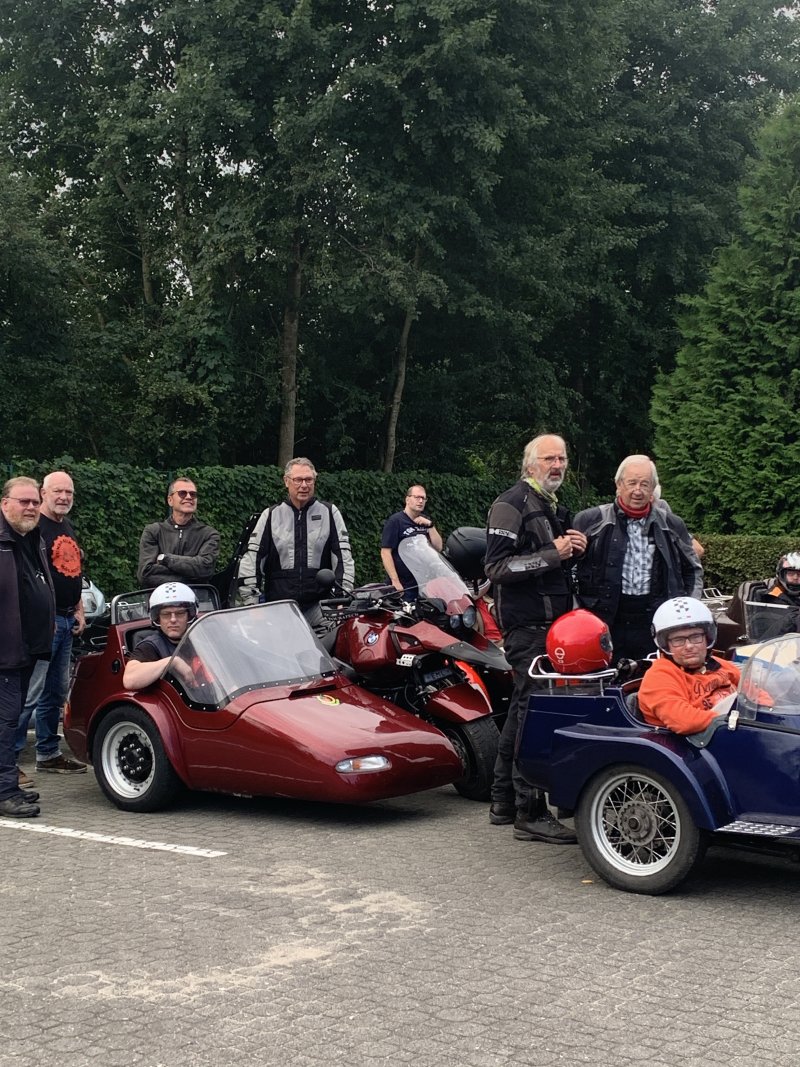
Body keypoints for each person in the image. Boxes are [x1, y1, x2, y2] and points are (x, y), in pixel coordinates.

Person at [484, 433, 587, 844]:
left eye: (561, 458)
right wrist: (553, 554)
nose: (557, 465)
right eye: (548, 459)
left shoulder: (551, 504)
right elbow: (496, 568)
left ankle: (503, 802)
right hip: (526, 627)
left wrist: (574, 549)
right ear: (530, 465)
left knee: (522, 708)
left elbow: (552, 562)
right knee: (535, 713)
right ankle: (530, 812)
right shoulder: (511, 503)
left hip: (551, 625)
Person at [573, 455, 703, 662]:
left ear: (653, 488)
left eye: (644, 484)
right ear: (618, 485)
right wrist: (578, 611)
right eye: (632, 483)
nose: (637, 490)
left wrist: (688, 610)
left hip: (656, 619)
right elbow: (568, 569)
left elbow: (693, 569)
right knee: (606, 675)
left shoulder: (672, 524)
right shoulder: (590, 520)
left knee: (653, 676)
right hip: (603, 619)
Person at [15, 472, 87, 781]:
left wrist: (79, 609)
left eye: (68, 492)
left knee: (55, 693)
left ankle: (47, 753)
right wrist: (44, 620)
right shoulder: (34, 529)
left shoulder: (65, 525)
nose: (64, 497)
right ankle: (8, 763)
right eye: (57, 491)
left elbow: (72, 570)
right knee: (28, 695)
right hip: (46, 624)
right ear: (44, 493)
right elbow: (28, 580)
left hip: (67, 620)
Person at [236, 458, 354, 627]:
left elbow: (344, 558)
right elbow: (252, 559)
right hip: (279, 608)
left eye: (309, 480)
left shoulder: (330, 512)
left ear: (315, 481)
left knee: (341, 638)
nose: (304, 485)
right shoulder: (270, 515)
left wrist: (342, 598)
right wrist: (251, 603)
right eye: (298, 480)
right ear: (286, 481)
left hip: (320, 608)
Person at [0, 477, 56, 817]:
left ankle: (8, 786)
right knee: (5, 723)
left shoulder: (31, 538)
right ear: (4, 503)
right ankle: (5, 792)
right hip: (6, 654)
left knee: (10, 720)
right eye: (24, 501)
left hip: (27, 652)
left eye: (35, 502)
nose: (31, 507)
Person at [638, 597, 740, 734]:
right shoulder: (659, 677)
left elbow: (755, 694)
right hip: (698, 742)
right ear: (666, 645)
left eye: (696, 637)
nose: (689, 646)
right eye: (678, 640)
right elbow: (685, 722)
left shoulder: (719, 664)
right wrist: (738, 721)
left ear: (707, 638)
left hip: (733, 730)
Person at [137, 476, 220, 590]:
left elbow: (205, 570)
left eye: (193, 494)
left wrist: (166, 559)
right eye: (182, 493)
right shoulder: (153, 531)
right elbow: (146, 574)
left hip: (197, 598)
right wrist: (191, 577)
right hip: (160, 599)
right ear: (170, 500)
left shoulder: (209, 534)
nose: (189, 497)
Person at [123, 583, 197, 691]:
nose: (173, 619)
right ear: (158, 618)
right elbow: (129, 680)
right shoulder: (151, 646)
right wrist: (173, 661)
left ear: (189, 615)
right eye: (166, 614)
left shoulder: (201, 640)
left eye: (180, 613)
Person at [380, 485, 443, 595]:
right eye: (417, 497)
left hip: (424, 583)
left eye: (423, 498)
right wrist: (395, 581)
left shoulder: (425, 521)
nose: (420, 501)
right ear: (407, 499)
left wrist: (430, 526)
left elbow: (438, 547)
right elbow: (385, 552)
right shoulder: (395, 521)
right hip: (404, 584)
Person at [749, 552, 800, 638]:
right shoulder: (771, 599)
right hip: (778, 642)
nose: (795, 578)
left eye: (799, 574)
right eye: (790, 573)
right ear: (781, 575)